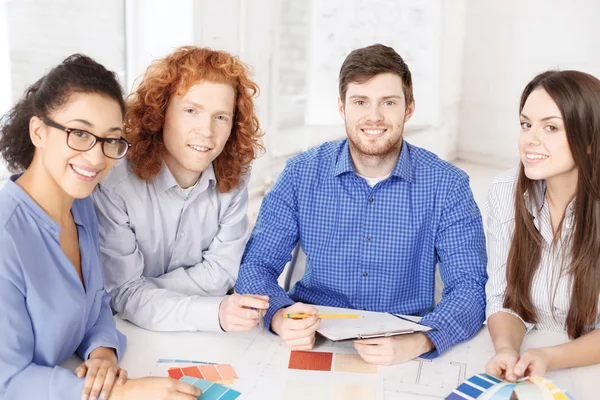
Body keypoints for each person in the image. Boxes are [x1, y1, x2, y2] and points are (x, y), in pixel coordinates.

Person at [235, 43, 488, 364]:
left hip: (403, 343)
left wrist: (423, 340)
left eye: (389, 102)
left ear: (408, 109)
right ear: (342, 108)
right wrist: (278, 316)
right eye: (360, 102)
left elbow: (469, 286)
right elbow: (256, 265)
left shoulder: (448, 185)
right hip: (312, 335)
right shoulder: (301, 173)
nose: (374, 116)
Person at [0, 54, 201, 400]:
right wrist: (121, 395)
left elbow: (95, 305)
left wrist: (102, 354)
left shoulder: (82, 206)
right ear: (38, 131)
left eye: (110, 139)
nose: (96, 158)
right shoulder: (7, 235)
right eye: (79, 133)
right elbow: (7, 380)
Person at [92, 46, 268, 333]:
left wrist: (142, 294)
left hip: (196, 334)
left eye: (221, 117)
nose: (207, 131)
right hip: (126, 334)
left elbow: (222, 272)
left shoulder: (235, 176)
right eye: (191, 111)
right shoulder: (115, 182)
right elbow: (121, 293)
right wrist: (133, 295)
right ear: (160, 113)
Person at [485, 70, 600, 381]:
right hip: (531, 356)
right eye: (526, 124)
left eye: (551, 127)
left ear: (589, 140)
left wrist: (550, 357)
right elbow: (502, 298)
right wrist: (506, 348)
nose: (529, 139)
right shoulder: (505, 190)